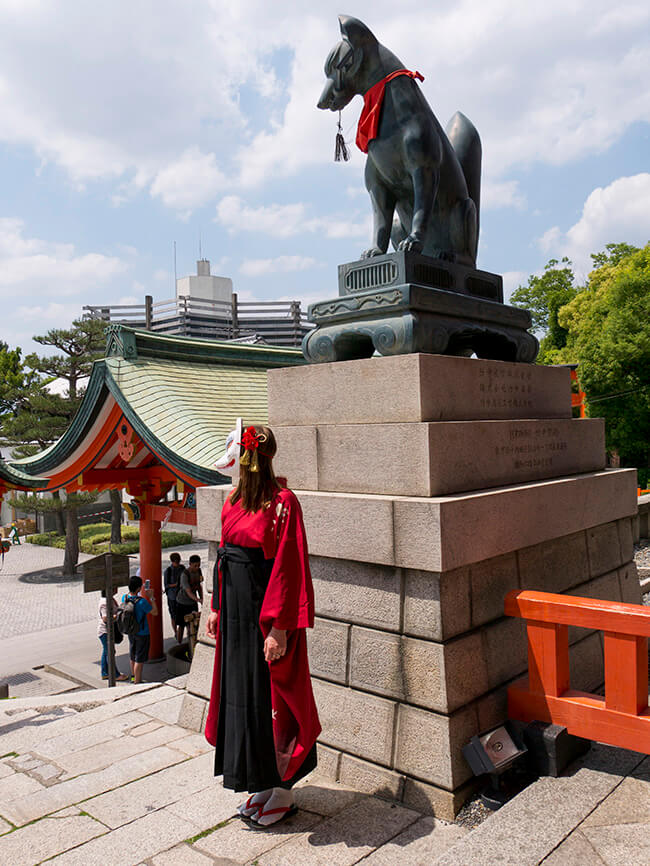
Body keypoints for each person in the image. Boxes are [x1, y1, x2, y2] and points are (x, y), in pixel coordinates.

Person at [205, 422, 320, 829]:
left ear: (249, 458)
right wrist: (216, 606)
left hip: (265, 613)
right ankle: (261, 783)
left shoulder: (284, 502)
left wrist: (280, 628)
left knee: (273, 697)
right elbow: (224, 554)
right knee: (243, 696)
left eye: (237, 453)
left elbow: (288, 567)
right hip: (236, 615)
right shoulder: (234, 499)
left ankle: (284, 790)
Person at [122, 575, 158, 683]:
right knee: (139, 658)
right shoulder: (142, 602)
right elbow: (155, 612)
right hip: (142, 632)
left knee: (132, 655)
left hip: (131, 631)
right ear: (138, 588)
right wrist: (151, 597)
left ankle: (133, 676)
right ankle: (137, 681)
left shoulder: (125, 597)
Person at [97, 590, 128, 681]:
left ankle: (105, 672)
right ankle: (115, 674)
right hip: (105, 631)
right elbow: (105, 618)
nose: (116, 588)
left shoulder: (109, 599)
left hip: (108, 631)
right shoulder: (104, 602)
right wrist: (117, 616)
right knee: (110, 652)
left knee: (106, 652)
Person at [175, 554, 203, 643]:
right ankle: (179, 643)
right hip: (182, 602)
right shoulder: (185, 575)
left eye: (199, 565)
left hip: (192, 603)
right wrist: (198, 599)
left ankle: (191, 643)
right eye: (195, 566)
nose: (197, 567)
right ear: (190, 564)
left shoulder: (199, 571)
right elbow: (188, 592)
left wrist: (202, 597)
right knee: (182, 625)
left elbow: (199, 586)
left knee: (192, 625)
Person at [163, 552, 183, 640]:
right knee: (173, 615)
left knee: (182, 614)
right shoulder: (168, 571)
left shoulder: (182, 568)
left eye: (178, 561)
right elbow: (166, 585)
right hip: (172, 596)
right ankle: (175, 632)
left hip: (181, 595)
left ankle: (180, 631)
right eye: (176, 562)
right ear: (172, 561)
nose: (177, 563)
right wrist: (175, 584)